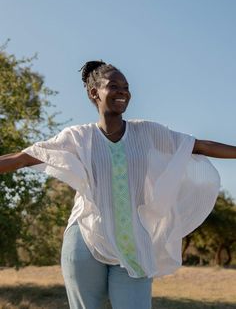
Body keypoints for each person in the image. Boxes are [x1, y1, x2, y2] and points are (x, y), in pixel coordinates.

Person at [1, 60, 236, 309]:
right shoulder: (77, 137)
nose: (123, 91)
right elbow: (22, 158)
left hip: (134, 240)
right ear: (94, 93)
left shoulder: (147, 132)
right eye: (114, 85)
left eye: (126, 86)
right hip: (86, 238)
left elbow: (197, 145)